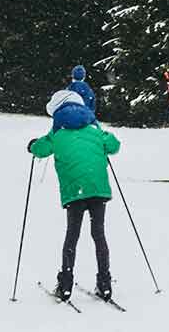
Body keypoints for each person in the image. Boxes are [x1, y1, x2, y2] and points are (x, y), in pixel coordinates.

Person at [28, 88, 122, 302]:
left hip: (74, 191)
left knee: (73, 234)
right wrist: (99, 132)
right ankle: (105, 283)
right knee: (99, 234)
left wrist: (32, 145)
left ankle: (66, 284)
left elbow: (39, 150)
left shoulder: (57, 134)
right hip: (98, 189)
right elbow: (114, 146)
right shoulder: (94, 130)